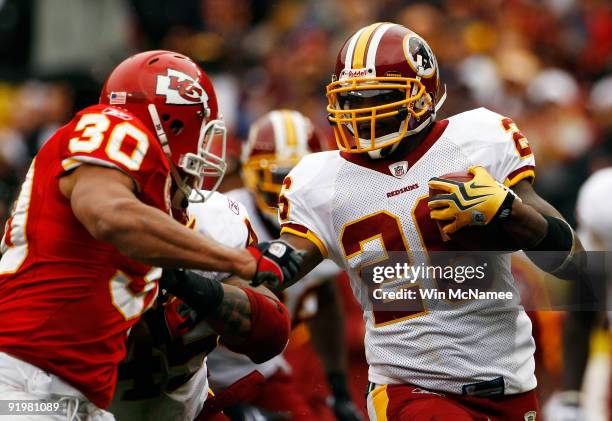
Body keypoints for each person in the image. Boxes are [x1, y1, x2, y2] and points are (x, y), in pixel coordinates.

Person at [256, 23, 585, 420]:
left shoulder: (477, 141)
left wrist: (507, 209)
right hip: (408, 389)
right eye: (353, 99)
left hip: (509, 382)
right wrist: (244, 265)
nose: (363, 112)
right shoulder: (320, 181)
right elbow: (286, 260)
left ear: (422, 96)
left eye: (379, 97)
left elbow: (572, 263)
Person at [0, 50, 301, 420]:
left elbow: (270, 333)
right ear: (173, 126)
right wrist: (237, 260)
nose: (206, 151)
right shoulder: (112, 128)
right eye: (201, 131)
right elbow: (110, 216)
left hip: (87, 401)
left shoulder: (209, 220)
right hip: (28, 389)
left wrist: (195, 287)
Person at [206, 109, 362, 420]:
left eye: (301, 174)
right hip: (198, 368)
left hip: (261, 370)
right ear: (251, 173)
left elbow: (325, 299)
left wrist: (338, 387)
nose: (289, 186)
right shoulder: (225, 217)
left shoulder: (325, 221)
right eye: (280, 176)